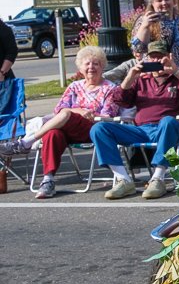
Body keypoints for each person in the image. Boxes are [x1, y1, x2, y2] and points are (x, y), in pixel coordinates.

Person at [0, 45, 120, 199]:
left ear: (102, 66)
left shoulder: (110, 89)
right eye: (87, 64)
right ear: (80, 67)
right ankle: (48, 180)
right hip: (68, 127)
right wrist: (79, 111)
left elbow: (108, 115)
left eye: (95, 64)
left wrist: (78, 113)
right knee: (52, 133)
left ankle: (26, 143)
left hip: (93, 128)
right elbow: (59, 110)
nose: (91, 67)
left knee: (66, 113)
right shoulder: (74, 86)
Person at [91, 40, 179, 200]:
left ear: (169, 57)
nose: (157, 61)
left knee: (167, 121)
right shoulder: (140, 80)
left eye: (161, 57)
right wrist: (130, 76)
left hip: (171, 130)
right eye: (153, 58)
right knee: (99, 129)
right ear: (147, 59)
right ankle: (124, 179)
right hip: (142, 130)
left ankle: (158, 178)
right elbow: (120, 100)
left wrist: (176, 71)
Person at [130, 0, 179, 74]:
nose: (164, 3)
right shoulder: (144, 20)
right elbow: (137, 48)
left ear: (173, 1)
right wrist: (145, 25)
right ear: (152, 3)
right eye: (159, 0)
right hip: (158, 72)